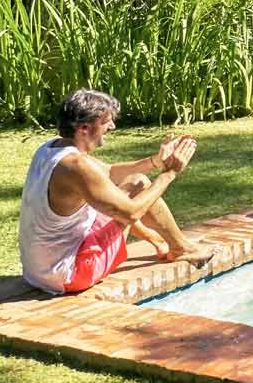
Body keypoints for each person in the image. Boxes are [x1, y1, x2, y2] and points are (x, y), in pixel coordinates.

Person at [18, 89, 213, 295]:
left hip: (39, 271)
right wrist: (169, 173)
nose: (112, 126)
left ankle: (160, 241)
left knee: (130, 187)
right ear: (84, 128)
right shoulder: (77, 166)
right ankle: (181, 248)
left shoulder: (51, 149)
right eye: (106, 122)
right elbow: (131, 213)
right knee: (136, 189)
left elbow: (109, 172)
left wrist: (155, 161)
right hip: (70, 274)